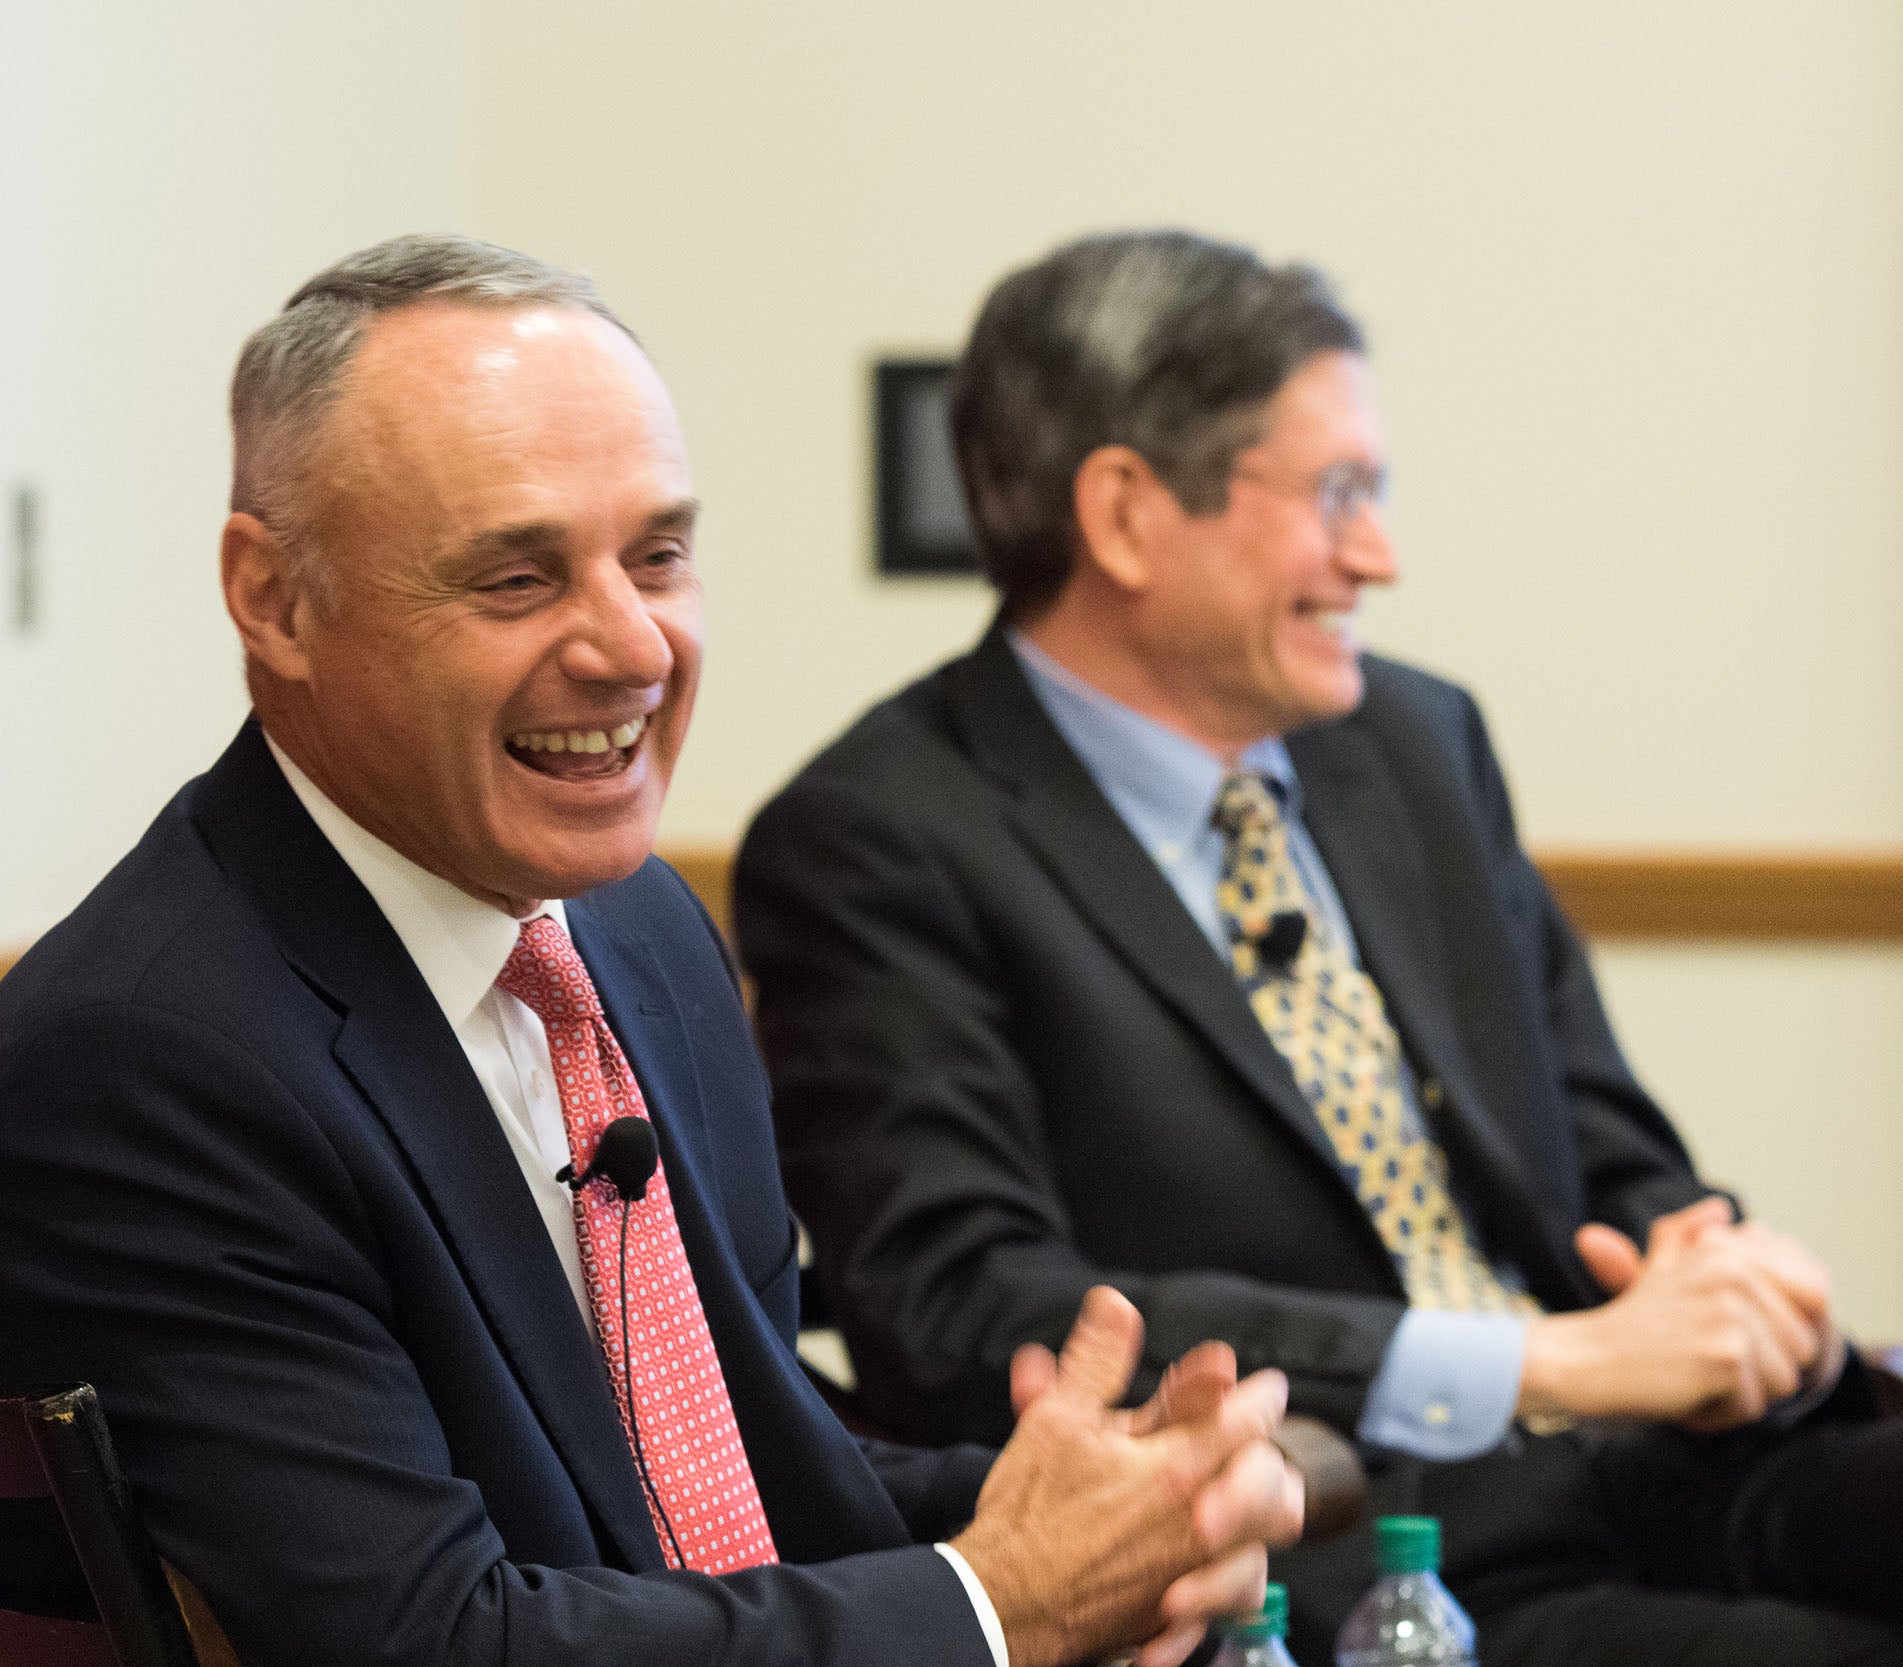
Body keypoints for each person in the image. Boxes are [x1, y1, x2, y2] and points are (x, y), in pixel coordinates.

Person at [733, 230, 1903, 1667]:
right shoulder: (884, 838)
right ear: (1130, 514)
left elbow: (1600, 1143)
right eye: (1335, 495)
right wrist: (1534, 1368)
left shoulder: (1409, 744)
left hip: (1671, 1461)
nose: (1379, 556)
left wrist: (1718, 1270)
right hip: (1375, 1543)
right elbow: (960, 1312)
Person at [0, 234, 1304, 1667]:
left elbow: (729, 1485)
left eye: (661, 556)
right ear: (277, 601)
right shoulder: (144, 1056)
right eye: (515, 578)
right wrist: (1005, 1601)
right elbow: (426, 1641)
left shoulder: (642, 933)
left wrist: (1105, 1503)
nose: (632, 648)